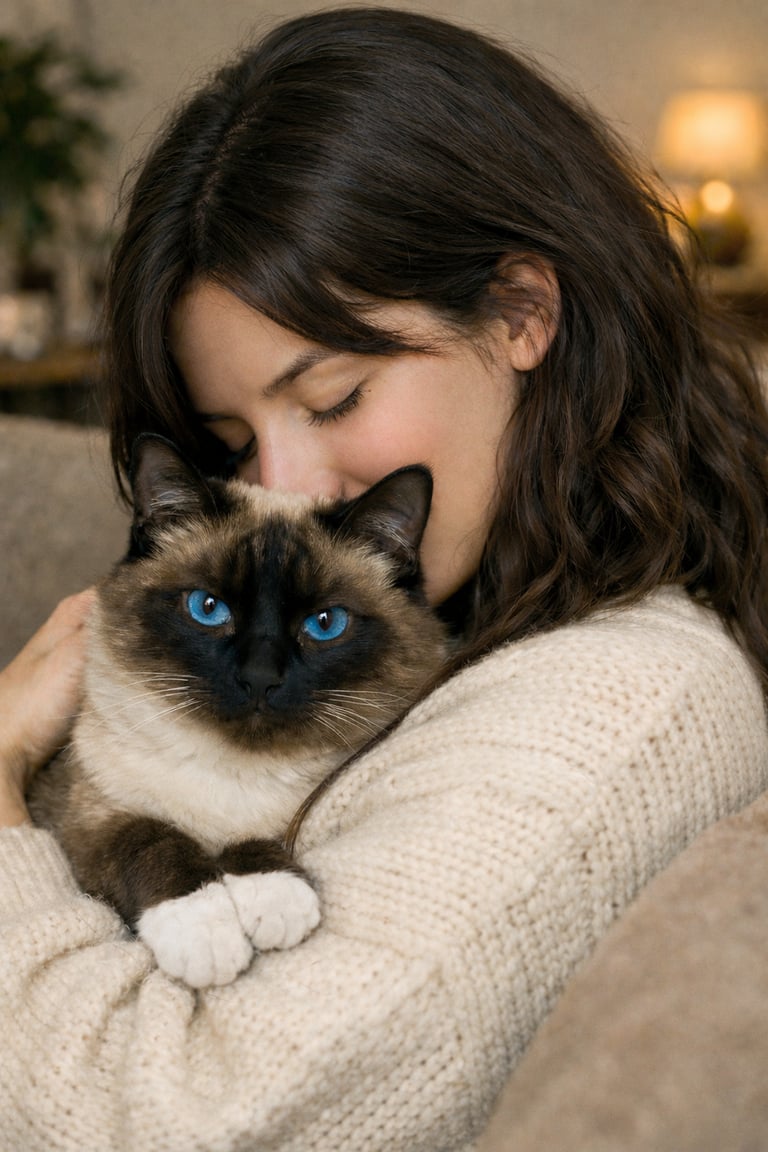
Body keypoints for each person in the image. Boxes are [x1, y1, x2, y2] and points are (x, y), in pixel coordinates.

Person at [1, 7, 768, 1149]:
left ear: (522, 312)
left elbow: (176, 1121)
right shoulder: (459, 594)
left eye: (333, 400)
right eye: (230, 436)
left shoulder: (615, 713)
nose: (288, 485)